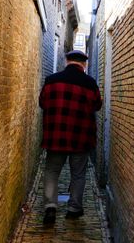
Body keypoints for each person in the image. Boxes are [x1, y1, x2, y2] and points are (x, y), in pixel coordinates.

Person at [39, 50, 102, 224]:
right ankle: (74, 208)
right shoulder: (90, 83)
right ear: (84, 64)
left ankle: (50, 207)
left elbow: (42, 103)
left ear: (67, 61)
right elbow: (97, 105)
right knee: (78, 174)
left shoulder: (51, 80)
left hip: (55, 136)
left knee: (52, 171)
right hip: (81, 138)